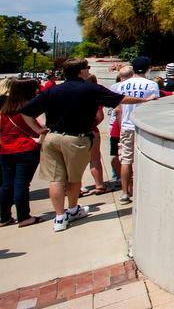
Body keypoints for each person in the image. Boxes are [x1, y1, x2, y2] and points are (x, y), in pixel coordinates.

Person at [18, 59, 150, 231]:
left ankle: (59, 217)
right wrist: (147, 100)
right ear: (81, 72)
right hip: (76, 139)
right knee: (73, 179)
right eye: (87, 68)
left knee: (56, 179)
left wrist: (39, 130)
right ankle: (72, 210)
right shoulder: (90, 88)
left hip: (53, 138)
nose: (88, 70)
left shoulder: (53, 90)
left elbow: (26, 111)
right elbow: (121, 99)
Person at [110, 60, 160, 204]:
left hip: (126, 125)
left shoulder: (121, 85)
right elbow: (154, 107)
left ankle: (125, 193)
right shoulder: (151, 85)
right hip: (144, 126)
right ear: (148, 69)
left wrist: (121, 128)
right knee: (145, 158)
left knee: (126, 160)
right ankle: (144, 189)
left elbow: (118, 109)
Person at [1, 78, 42, 227]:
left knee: (6, 185)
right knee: (21, 184)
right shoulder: (26, 110)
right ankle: (24, 216)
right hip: (26, 148)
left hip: (5, 150)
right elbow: (38, 130)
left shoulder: (4, 110)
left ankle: (4, 217)